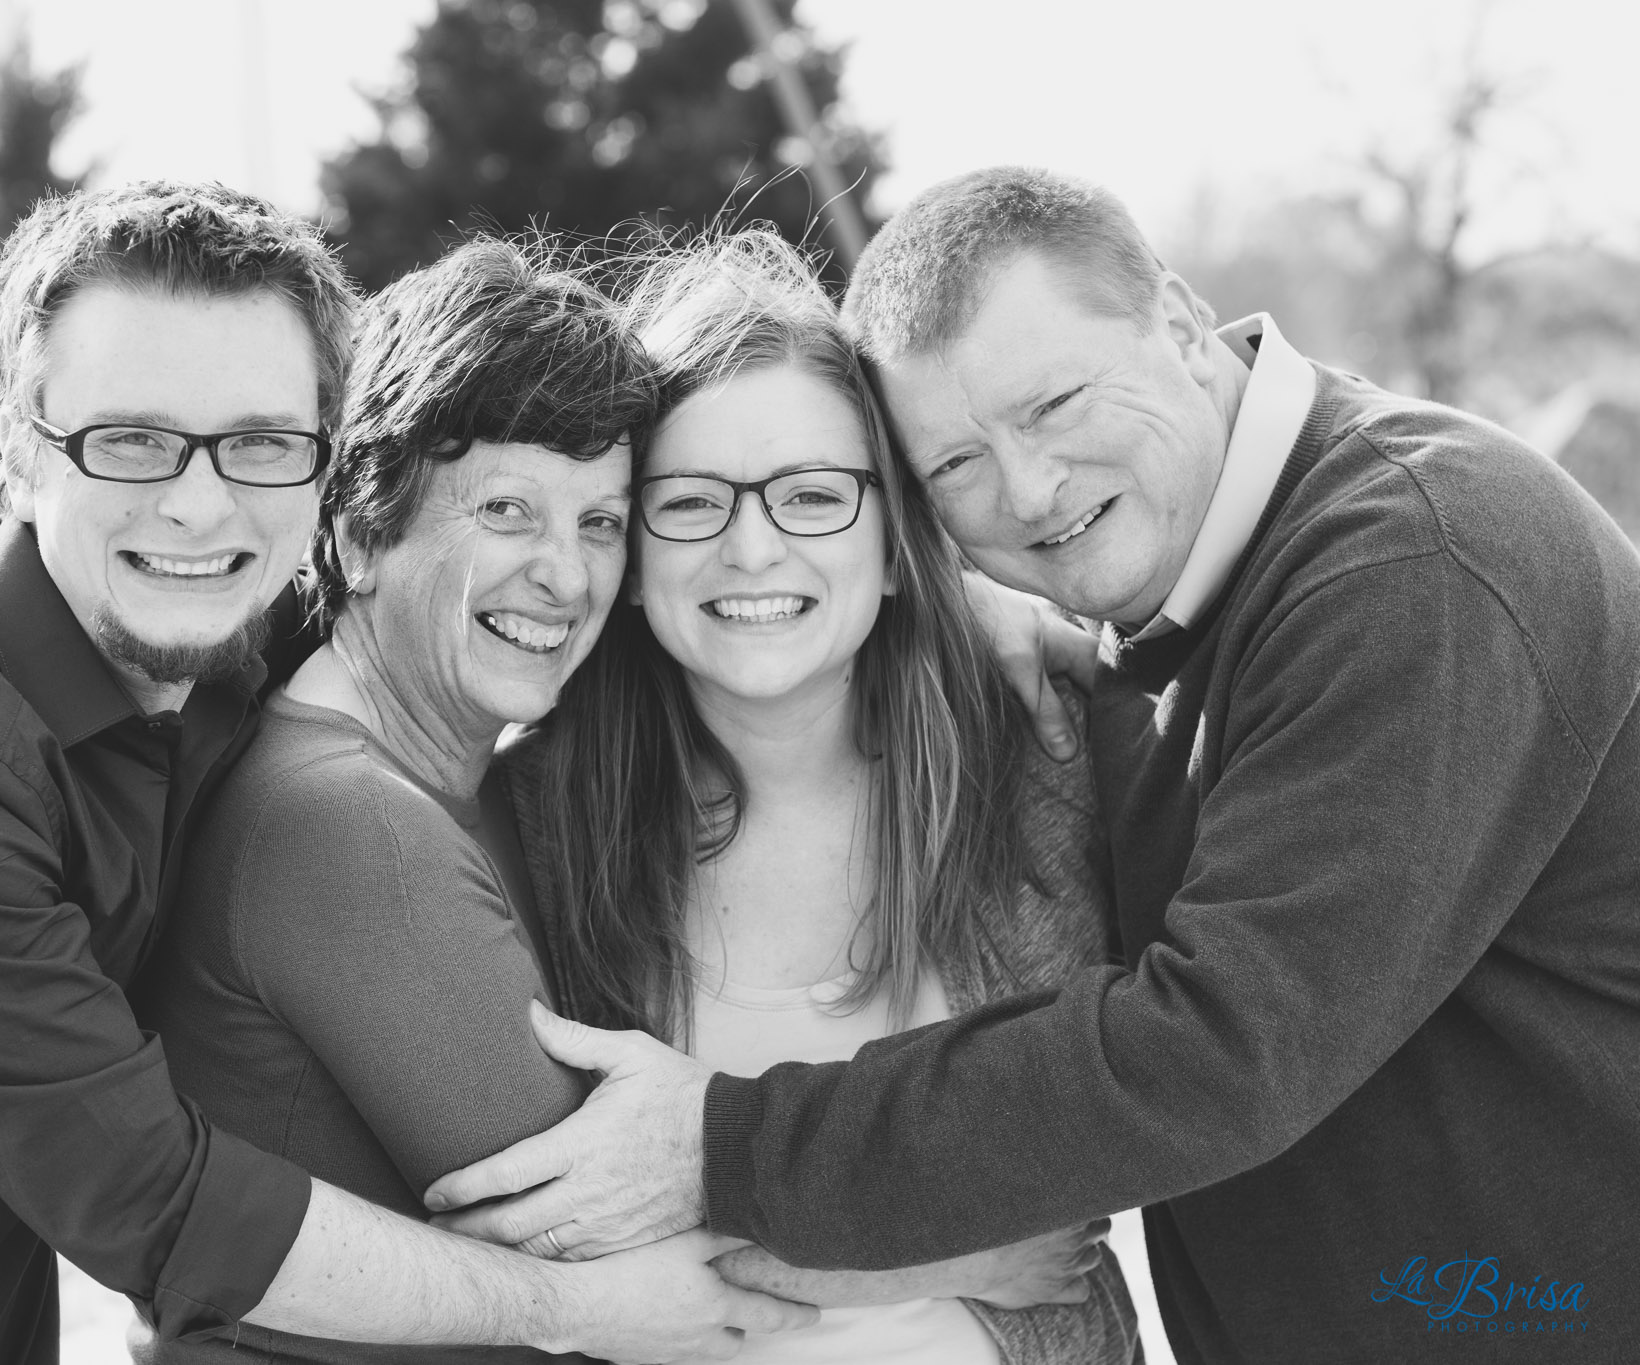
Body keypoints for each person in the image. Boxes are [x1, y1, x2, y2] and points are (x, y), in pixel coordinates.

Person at [425, 167, 1640, 1363]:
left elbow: (1219, 1051)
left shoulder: (1414, 566)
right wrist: (963, 611)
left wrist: (721, 1144)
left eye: (1053, 404)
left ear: (1179, 322)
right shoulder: (1147, 622)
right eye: (954, 465)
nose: (1027, 490)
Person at [0, 182, 810, 1365]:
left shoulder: (215, 632)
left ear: (320, 473)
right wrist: (574, 1306)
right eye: (131, 441)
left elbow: (430, 597)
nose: (197, 504)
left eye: (259, 443)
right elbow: (155, 1205)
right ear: (20, 452)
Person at [130, 237, 770, 1363]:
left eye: (600, 522)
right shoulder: (348, 826)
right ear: (360, 531)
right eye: (508, 509)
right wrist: (970, 1245)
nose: (566, 575)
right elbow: (600, 1234)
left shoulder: (469, 777)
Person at [506, 229, 1137, 1364]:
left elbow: (1120, 1131)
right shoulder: (538, 820)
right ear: (630, 553)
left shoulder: (1034, 765)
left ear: (892, 543)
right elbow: (537, 1229)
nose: (752, 550)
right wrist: (946, 1253)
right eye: (690, 502)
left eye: (810, 495)